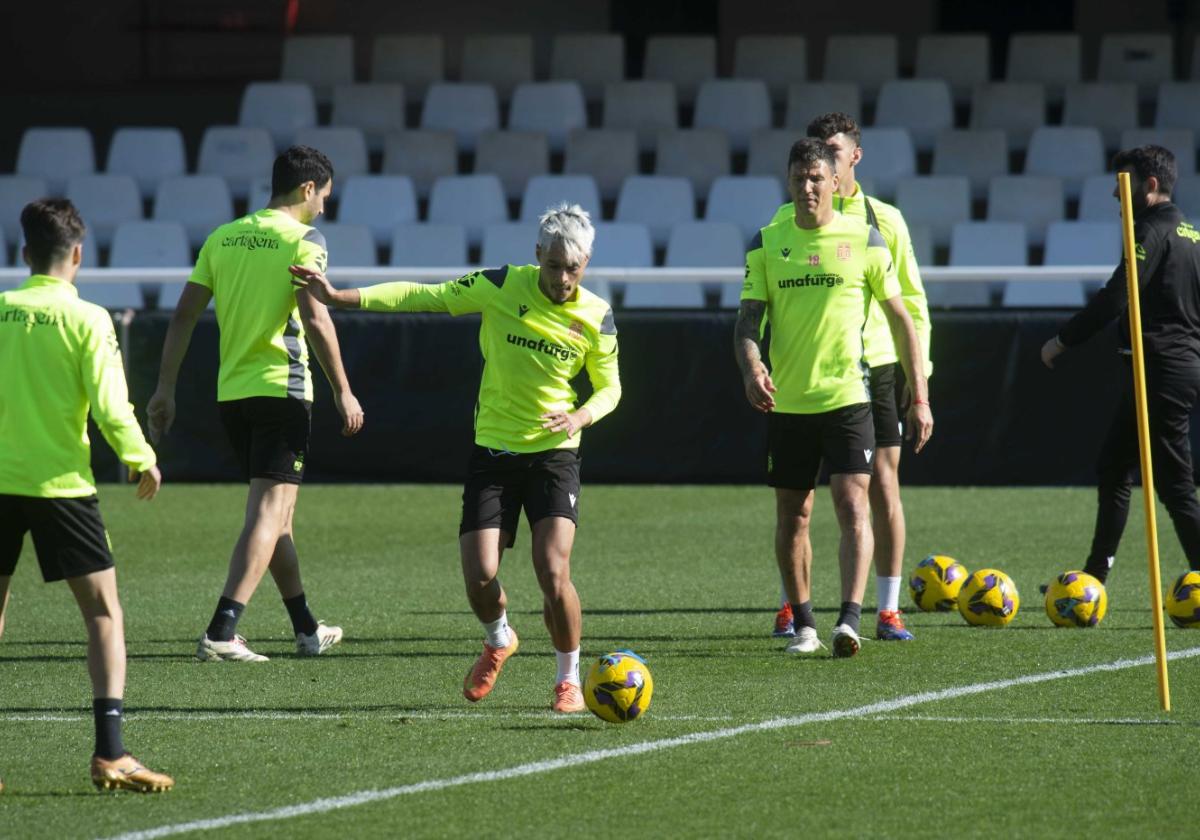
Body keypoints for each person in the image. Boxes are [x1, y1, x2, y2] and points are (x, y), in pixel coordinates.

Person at [289, 203, 620, 712]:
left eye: (572, 268)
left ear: (587, 263)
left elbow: (611, 387)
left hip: (556, 454)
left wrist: (580, 418)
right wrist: (340, 297)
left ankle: (569, 679)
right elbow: (426, 295)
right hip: (494, 449)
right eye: (553, 266)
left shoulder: (597, 315)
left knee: (553, 573)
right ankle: (499, 637)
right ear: (538, 256)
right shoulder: (503, 284)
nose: (562, 278)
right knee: (480, 576)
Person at [147, 146, 364, 662]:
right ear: (308, 189)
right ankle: (223, 629)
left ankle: (306, 629)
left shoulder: (222, 237)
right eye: (325, 197)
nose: (325, 209)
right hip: (282, 389)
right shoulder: (303, 239)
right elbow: (315, 318)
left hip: (234, 395)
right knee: (268, 513)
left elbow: (181, 318)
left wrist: (164, 388)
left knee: (278, 519)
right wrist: (343, 389)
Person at [0, 198, 173, 792]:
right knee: (102, 613)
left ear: (22, 254)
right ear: (78, 253)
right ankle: (111, 753)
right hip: (60, 487)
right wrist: (141, 457)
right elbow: (110, 406)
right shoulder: (88, 319)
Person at [735, 139, 933, 657]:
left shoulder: (865, 238)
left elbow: (901, 317)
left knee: (852, 506)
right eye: (799, 178)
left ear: (833, 180)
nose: (808, 187)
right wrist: (753, 366)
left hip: (850, 398)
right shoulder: (765, 242)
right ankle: (804, 625)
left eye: (817, 178)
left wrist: (921, 397)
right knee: (793, 516)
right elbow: (747, 323)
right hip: (788, 405)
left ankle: (849, 620)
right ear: (789, 181)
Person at [1042, 144, 1200, 583]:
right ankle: (1095, 574)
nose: (1116, 197)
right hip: (1171, 367)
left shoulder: (1149, 231)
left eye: (1122, 187)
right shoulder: (1190, 232)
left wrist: (1062, 340)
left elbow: (1117, 294)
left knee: (1175, 485)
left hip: (1161, 370)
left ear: (1148, 186)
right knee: (1113, 466)